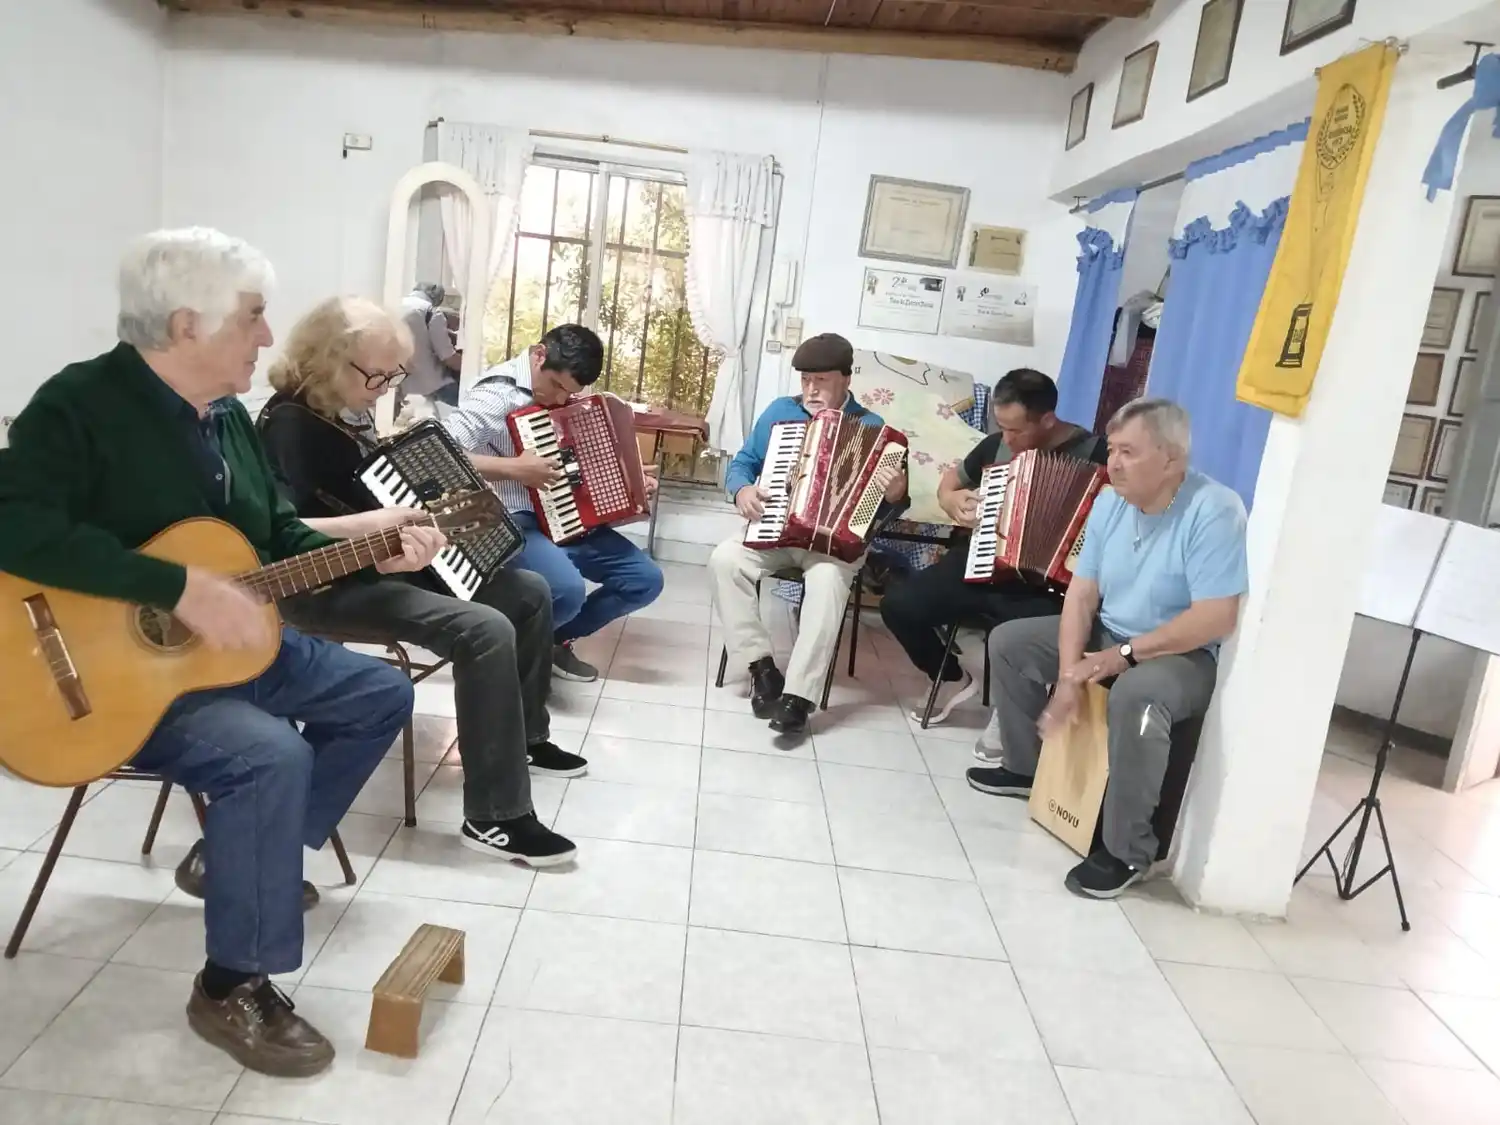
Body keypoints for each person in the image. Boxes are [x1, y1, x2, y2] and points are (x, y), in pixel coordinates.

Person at [0, 229, 431, 1076]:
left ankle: (235, 857)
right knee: (268, 756)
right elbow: (13, 525)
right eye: (254, 316)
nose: (269, 339)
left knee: (381, 695)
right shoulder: (78, 405)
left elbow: (275, 539)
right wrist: (171, 587)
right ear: (188, 323)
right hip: (99, 681)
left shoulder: (229, 418)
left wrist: (377, 545)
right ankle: (232, 982)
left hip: (226, 656)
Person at [255, 295, 588, 867]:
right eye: (376, 374)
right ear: (328, 360)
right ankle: (496, 815)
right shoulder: (287, 424)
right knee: (482, 628)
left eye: (394, 373)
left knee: (528, 592)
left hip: (377, 562)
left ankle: (525, 739)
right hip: (320, 587)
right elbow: (280, 532)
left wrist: (423, 511)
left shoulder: (340, 410)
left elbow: (365, 490)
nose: (386, 386)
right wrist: (379, 535)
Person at [967, 398, 1248, 900]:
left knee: (1137, 699)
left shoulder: (1214, 509)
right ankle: (1025, 768)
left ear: (1172, 459)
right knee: (1010, 642)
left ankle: (1128, 851)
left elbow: (1215, 617)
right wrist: (1073, 669)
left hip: (1181, 654)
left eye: (1128, 452)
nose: (1113, 462)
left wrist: (1118, 658)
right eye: (1112, 449)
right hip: (1110, 632)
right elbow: (1082, 594)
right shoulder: (1109, 500)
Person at [880, 368, 1107, 727]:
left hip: (1051, 585)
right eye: (1002, 426)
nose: (1007, 438)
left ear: (1047, 420)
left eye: (1016, 429)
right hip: (982, 559)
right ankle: (950, 677)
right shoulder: (995, 446)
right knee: (899, 606)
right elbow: (949, 484)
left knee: (1021, 640)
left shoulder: (1100, 455)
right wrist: (952, 500)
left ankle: (1013, 710)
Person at [710, 333, 907, 737]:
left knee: (830, 580)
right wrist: (742, 490)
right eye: (805, 381)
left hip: (833, 545)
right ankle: (762, 669)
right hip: (776, 533)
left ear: (846, 380)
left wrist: (894, 492)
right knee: (724, 560)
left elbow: (891, 507)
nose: (811, 390)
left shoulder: (872, 429)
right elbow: (744, 463)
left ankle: (798, 697)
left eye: (821, 381)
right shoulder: (779, 412)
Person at [443, 324, 664, 683]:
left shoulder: (565, 401)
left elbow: (580, 465)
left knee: (644, 579)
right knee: (565, 590)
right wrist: (513, 469)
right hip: (512, 521)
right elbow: (439, 453)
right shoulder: (495, 395)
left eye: (571, 392)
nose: (561, 400)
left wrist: (632, 481)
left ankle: (549, 641)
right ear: (539, 354)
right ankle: (511, 655)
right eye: (558, 386)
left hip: (565, 519)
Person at [399, 282, 462, 406]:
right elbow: (448, 357)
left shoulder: (396, 304)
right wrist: (470, 367)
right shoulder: (432, 312)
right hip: (430, 384)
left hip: (401, 384)